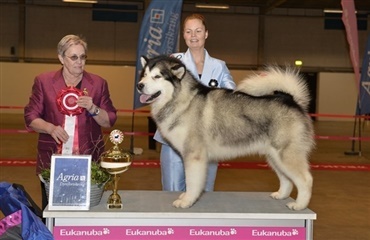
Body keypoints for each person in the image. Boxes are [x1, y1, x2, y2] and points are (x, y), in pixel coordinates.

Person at [24, 34, 117, 211]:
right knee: (52, 211)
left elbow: (110, 120)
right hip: (52, 159)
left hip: (89, 158)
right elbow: (30, 117)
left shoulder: (98, 84)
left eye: (83, 57)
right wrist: (50, 128)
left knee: (88, 211)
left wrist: (93, 108)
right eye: (73, 57)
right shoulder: (43, 81)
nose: (79, 62)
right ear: (61, 58)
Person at [154, 14, 236, 192]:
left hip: (207, 141)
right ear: (183, 35)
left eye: (198, 31)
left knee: (204, 195)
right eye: (189, 31)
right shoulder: (171, 62)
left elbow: (231, 97)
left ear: (206, 34)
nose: (193, 35)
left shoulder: (219, 66)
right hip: (174, 141)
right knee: (172, 192)